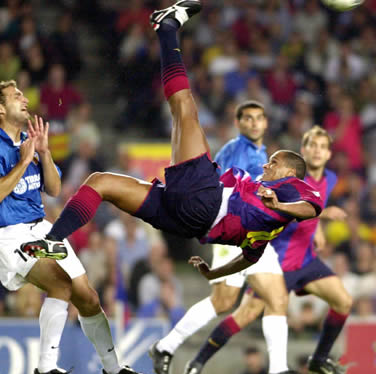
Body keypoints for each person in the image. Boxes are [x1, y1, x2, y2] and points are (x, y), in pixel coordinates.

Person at [21, 0, 322, 281]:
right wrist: (213, 274)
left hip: (204, 201)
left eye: (275, 162)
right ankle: (52, 241)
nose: (268, 164)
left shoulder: (289, 190)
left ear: (290, 173)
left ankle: (167, 29)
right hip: (185, 220)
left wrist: (283, 204)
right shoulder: (267, 226)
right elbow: (250, 259)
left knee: (185, 108)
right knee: (100, 182)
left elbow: (312, 207)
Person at [0, 80, 153, 374]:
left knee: (88, 297)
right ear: (0, 108)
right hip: (10, 234)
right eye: (15, 96)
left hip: (42, 230)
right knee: (60, 283)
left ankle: (113, 369)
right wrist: (24, 162)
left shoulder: (30, 142)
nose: (24, 98)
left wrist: (42, 153)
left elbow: (55, 190)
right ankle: (45, 369)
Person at [149, 100, 311, 374]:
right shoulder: (235, 149)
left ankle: (277, 370)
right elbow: (218, 186)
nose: (254, 123)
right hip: (232, 230)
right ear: (238, 123)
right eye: (247, 118)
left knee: (277, 297)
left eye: (259, 118)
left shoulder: (265, 154)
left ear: (266, 123)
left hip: (256, 238)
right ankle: (166, 346)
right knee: (223, 300)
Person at [187, 126, 353, 374]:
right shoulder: (283, 180)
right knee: (245, 314)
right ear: (304, 150)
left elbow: (311, 208)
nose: (318, 151)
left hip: (306, 259)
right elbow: (277, 213)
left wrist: (317, 225)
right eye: (313, 145)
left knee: (343, 301)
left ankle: (319, 361)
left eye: (323, 146)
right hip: (279, 260)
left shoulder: (329, 178)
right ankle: (197, 362)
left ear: (329, 154)